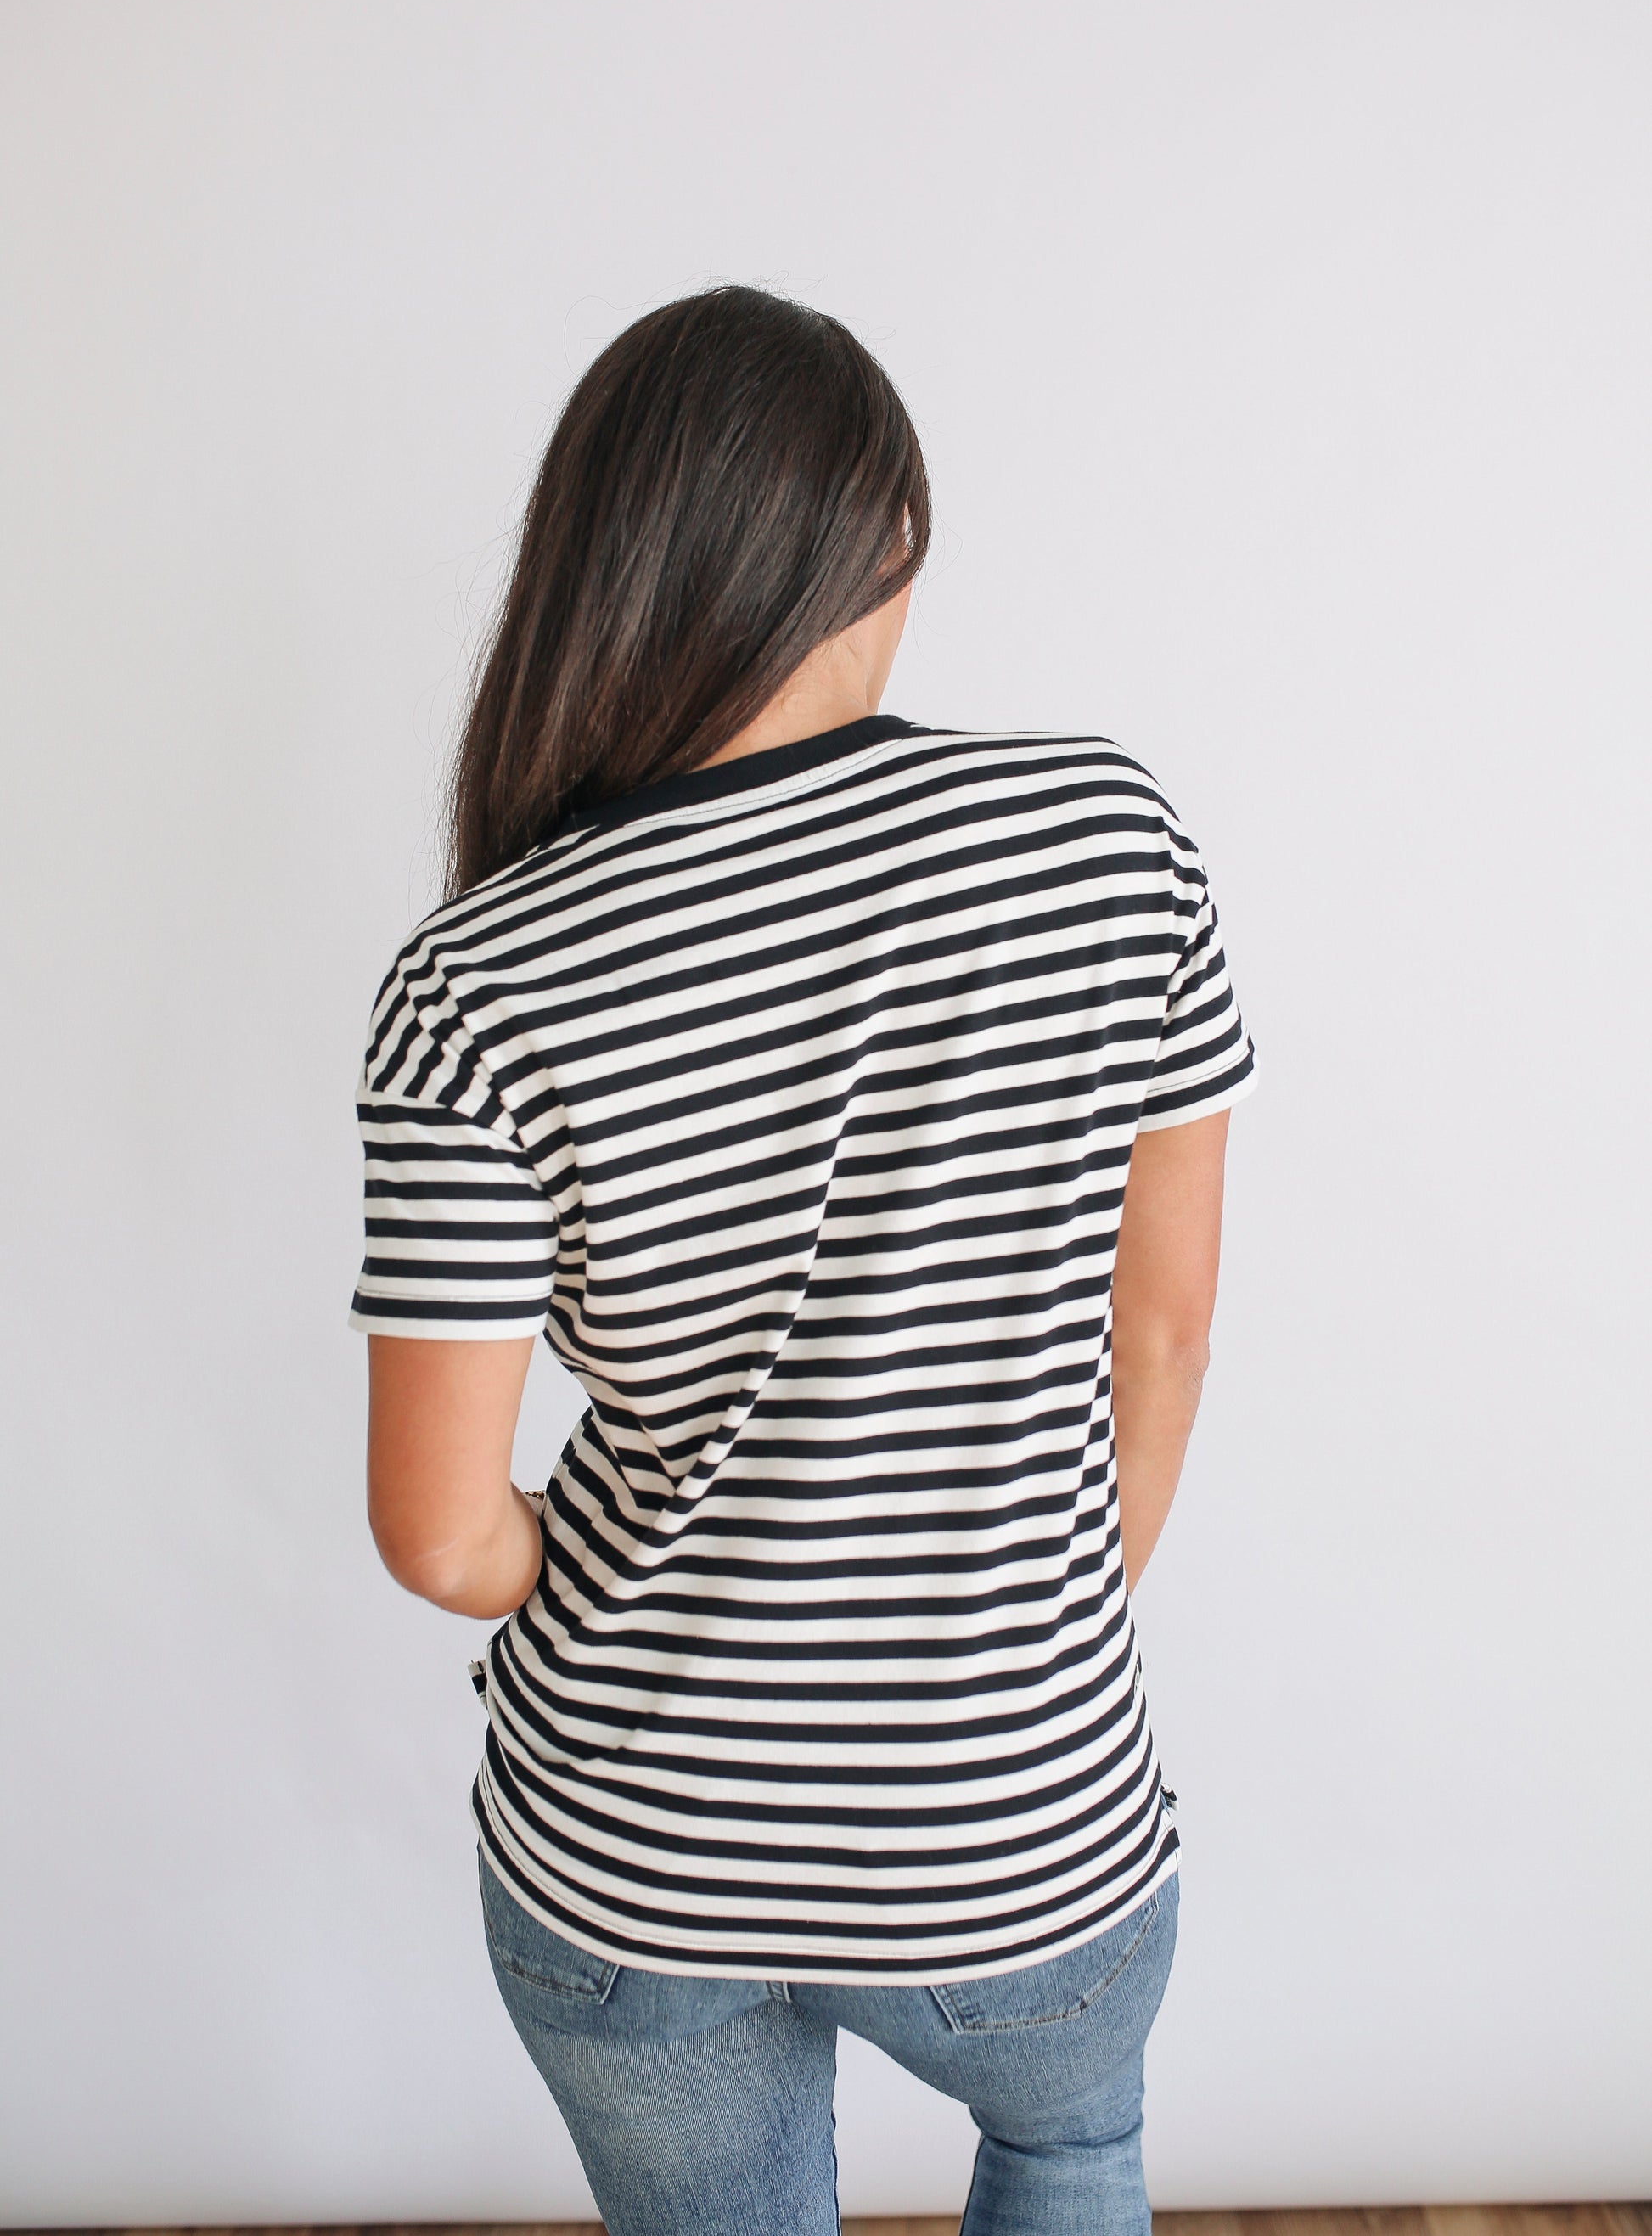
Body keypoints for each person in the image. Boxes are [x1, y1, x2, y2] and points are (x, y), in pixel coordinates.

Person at [351, 285, 1255, 2236]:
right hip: (1011, 1826)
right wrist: (1024, 1629)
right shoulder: (1100, 838)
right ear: (886, 540)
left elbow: (440, 1535)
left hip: (631, 1851)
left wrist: (597, 1559)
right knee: (1069, 2149)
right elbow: (1164, 1329)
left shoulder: (477, 971)